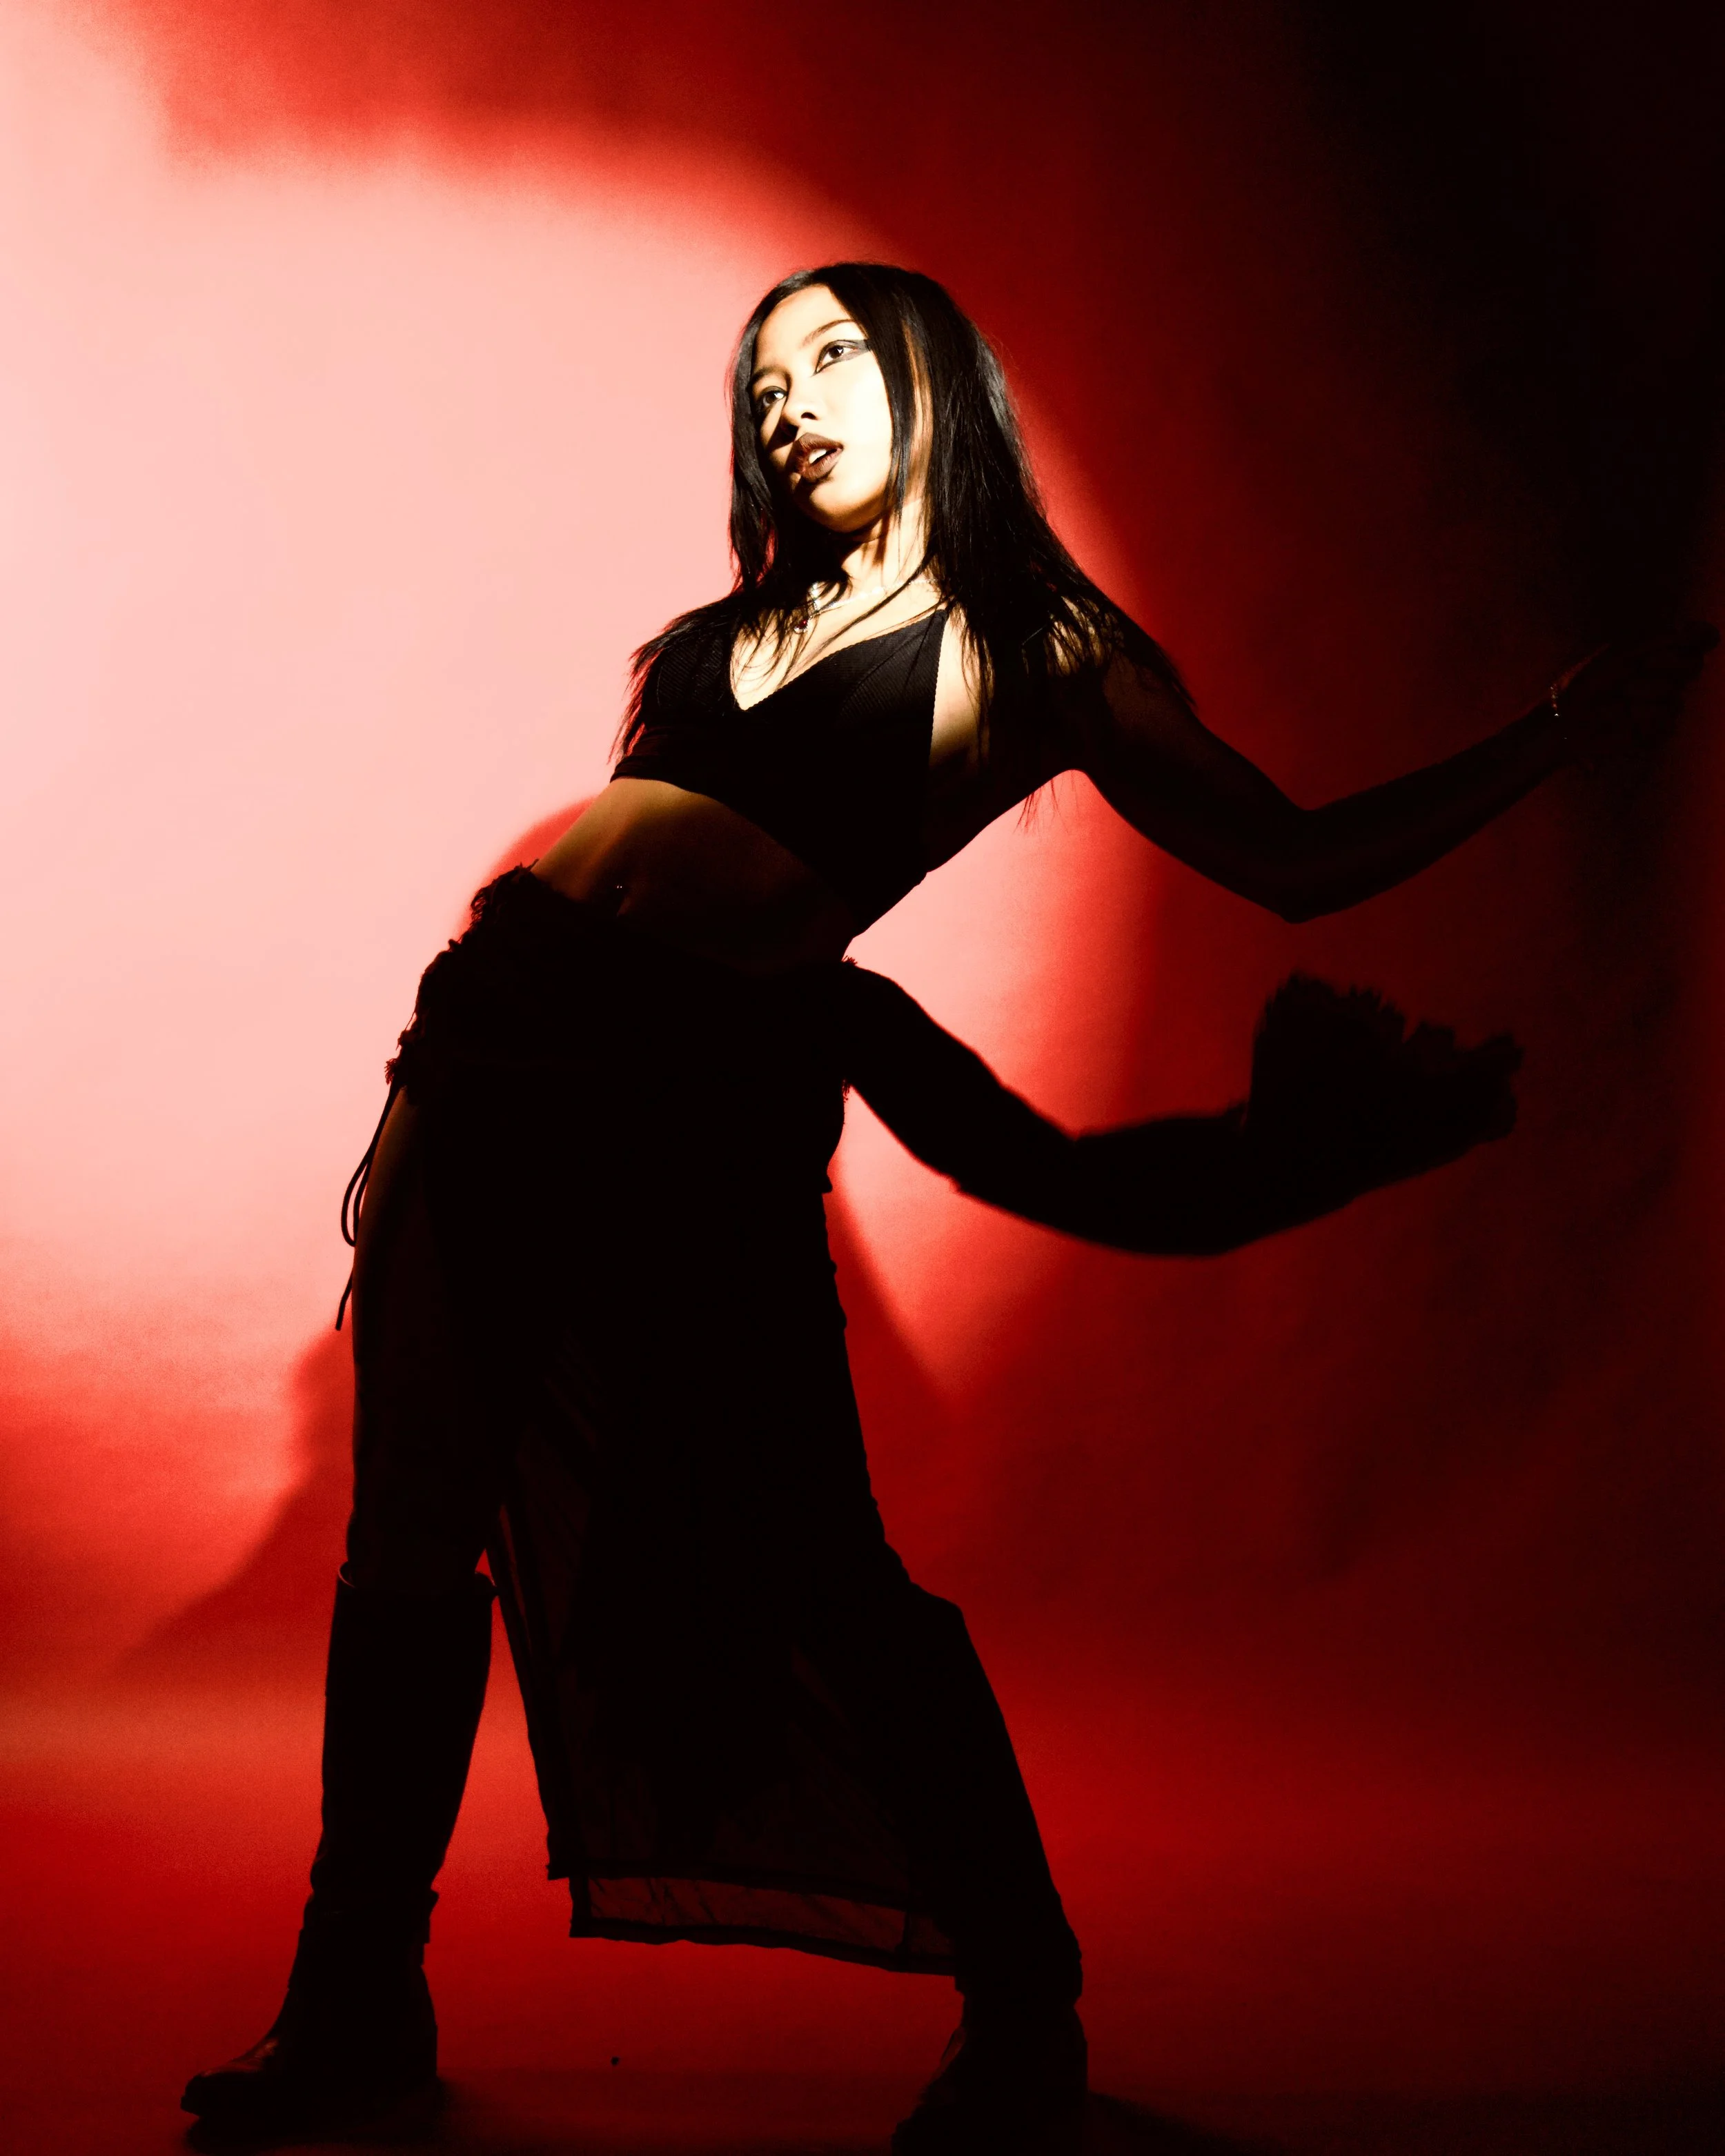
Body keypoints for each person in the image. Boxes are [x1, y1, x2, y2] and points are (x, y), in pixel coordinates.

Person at [179, 262, 1713, 2154]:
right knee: (409, 1539)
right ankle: (354, 1999)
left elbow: (1291, 857)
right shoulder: (705, 646)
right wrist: (445, 1092)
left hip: (696, 1118)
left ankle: (1022, 2000)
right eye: (763, 382)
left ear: (931, 384)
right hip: (486, 1073)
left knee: (821, 1570)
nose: (790, 401)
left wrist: (1548, 735)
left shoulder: (1033, 644)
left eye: (833, 356)